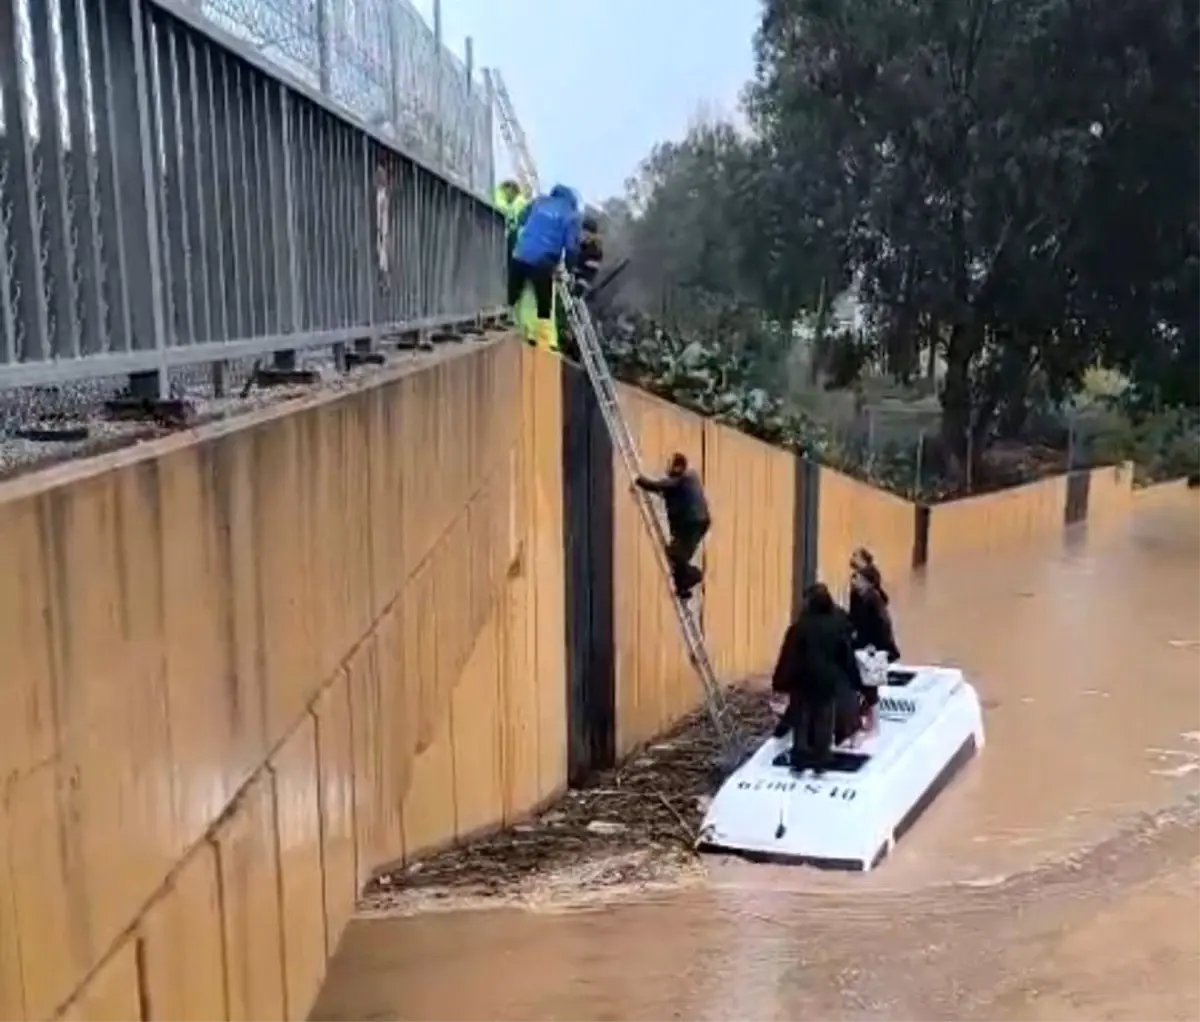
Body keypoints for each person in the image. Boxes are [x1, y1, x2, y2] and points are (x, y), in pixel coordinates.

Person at [771, 583, 879, 771]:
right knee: (824, 718)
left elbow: (789, 654)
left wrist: (780, 681)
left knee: (802, 717)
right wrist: (857, 681)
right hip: (828, 680)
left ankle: (800, 754)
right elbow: (845, 655)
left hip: (803, 679)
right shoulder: (837, 624)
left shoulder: (801, 626)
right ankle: (821, 758)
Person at [510, 184, 582, 351]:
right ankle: (545, 342)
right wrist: (570, 270)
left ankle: (520, 332)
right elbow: (571, 246)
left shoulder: (539, 202)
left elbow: (520, 219)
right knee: (544, 302)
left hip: (521, 254)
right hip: (543, 260)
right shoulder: (571, 215)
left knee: (518, 297)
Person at [635, 452, 711, 600]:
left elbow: (657, 486)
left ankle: (695, 575)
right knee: (678, 560)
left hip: (690, 522)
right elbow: (668, 493)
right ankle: (683, 587)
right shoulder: (689, 479)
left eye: (671, 465)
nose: (668, 469)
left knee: (675, 553)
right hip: (697, 522)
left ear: (678, 467)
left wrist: (638, 480)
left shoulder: (682, 479)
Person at [847, 547, 901, 661]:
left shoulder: (872, 599)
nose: (851, 558)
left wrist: (874, 645)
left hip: (875, 646)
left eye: (855, 556)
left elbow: (880, 623)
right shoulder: (860, 594)